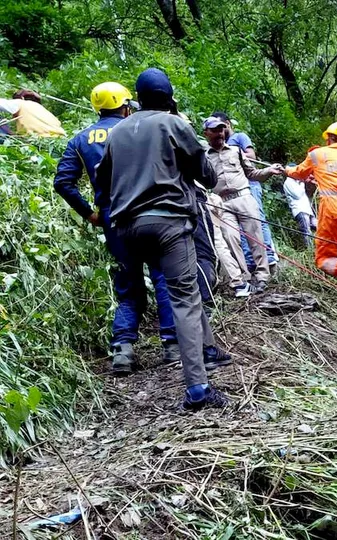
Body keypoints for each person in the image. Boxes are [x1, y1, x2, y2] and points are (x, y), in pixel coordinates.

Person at [95, 68, 233, 410]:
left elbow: (102, 179)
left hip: (127, 228)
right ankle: (198, 388)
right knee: (184, 295)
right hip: (168, 224)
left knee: (176, 287)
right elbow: (208, 175)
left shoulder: (117, 132)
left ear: (136, 100)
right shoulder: (174, 124)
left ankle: (208, 348)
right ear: (169, 99)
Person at [52, 82, 178, 374]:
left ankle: (122, 350)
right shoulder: (135, 127)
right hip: (150, 209)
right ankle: (172, 345)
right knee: (162, 276)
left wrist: (90, 213)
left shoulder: (80, 139)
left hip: (113, 219)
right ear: (125, 106)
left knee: (128, 284)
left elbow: (63, 182)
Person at [285, 122, 337, 316]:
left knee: (324, 258)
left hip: (333, 210)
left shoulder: (318, 154)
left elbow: (299, 172)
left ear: (329, 138)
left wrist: (285, 170)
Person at [202, 116, 282, 296]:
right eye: (214, 130)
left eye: (221, 129)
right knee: (231, 239)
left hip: (244, 197)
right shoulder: (203, 156)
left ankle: (262, 276)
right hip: (221, 202)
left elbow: (252, 173)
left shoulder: (236, 151)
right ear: (206, 133)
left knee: (255, 237)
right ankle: (244, 280)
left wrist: (269, 171)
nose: (219, 133)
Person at [0, 89, 66, 137]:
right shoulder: (44, 111)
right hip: (60, 138)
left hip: (39, 138)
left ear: (21, 98)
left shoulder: (21, 103)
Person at [283, 168, 317, 250]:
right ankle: (311, 250)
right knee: (307, 231)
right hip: (300, 210)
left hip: (307, 210)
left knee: (318, 227)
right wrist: (302, 183)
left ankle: (319, 248)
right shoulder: (288, 182)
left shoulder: (297, 181)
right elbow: (297, 194)